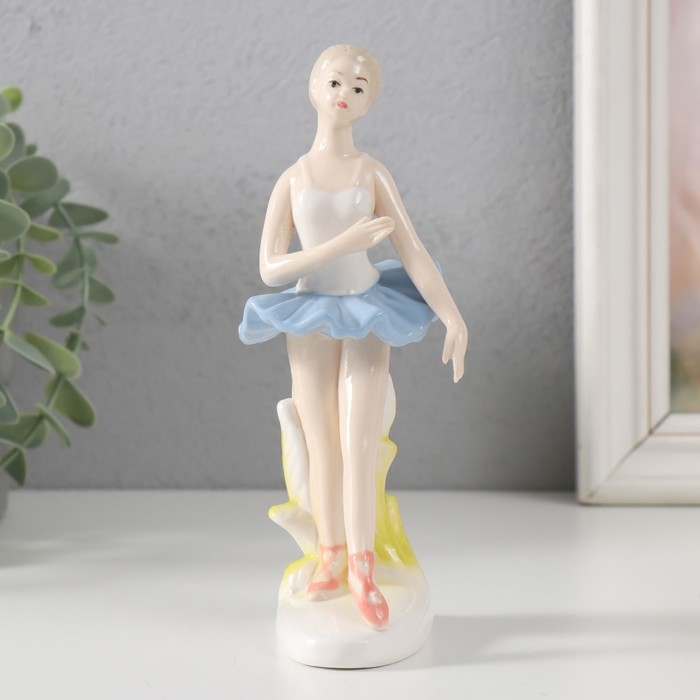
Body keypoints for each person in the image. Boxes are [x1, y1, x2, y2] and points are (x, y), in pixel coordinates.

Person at [239, 44, 468, 630]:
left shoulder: (372, 172)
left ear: (370, 103)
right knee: (321, 441)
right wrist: (341, 244)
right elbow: (270, 268)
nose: (346, 93)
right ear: (314, 86)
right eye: (337, 81)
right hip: (312, 312)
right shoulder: (293, 178)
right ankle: (330, 557)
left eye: (360, 87)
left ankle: (363, 568)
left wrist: (452, 316)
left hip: (367, 308)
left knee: (360, 441)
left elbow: (411, 249)